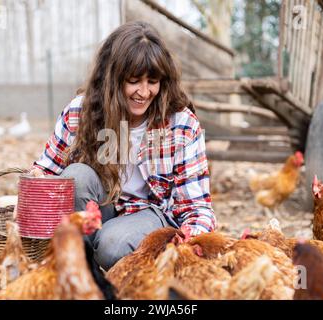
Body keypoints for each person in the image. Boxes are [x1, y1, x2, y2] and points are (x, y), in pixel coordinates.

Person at [31, 21, 216, 270]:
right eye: (134, 80)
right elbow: (46, 171)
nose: (144, 91)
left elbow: (196, 206)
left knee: (112, 245)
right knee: (76, 176)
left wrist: (189, 240)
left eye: (153, 81)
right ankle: (80, 275)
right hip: (102, 207)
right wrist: (33, 186)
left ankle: (105, 265)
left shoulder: (180, 124)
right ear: (113, 78)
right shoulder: (81, 111)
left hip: (151, 214)